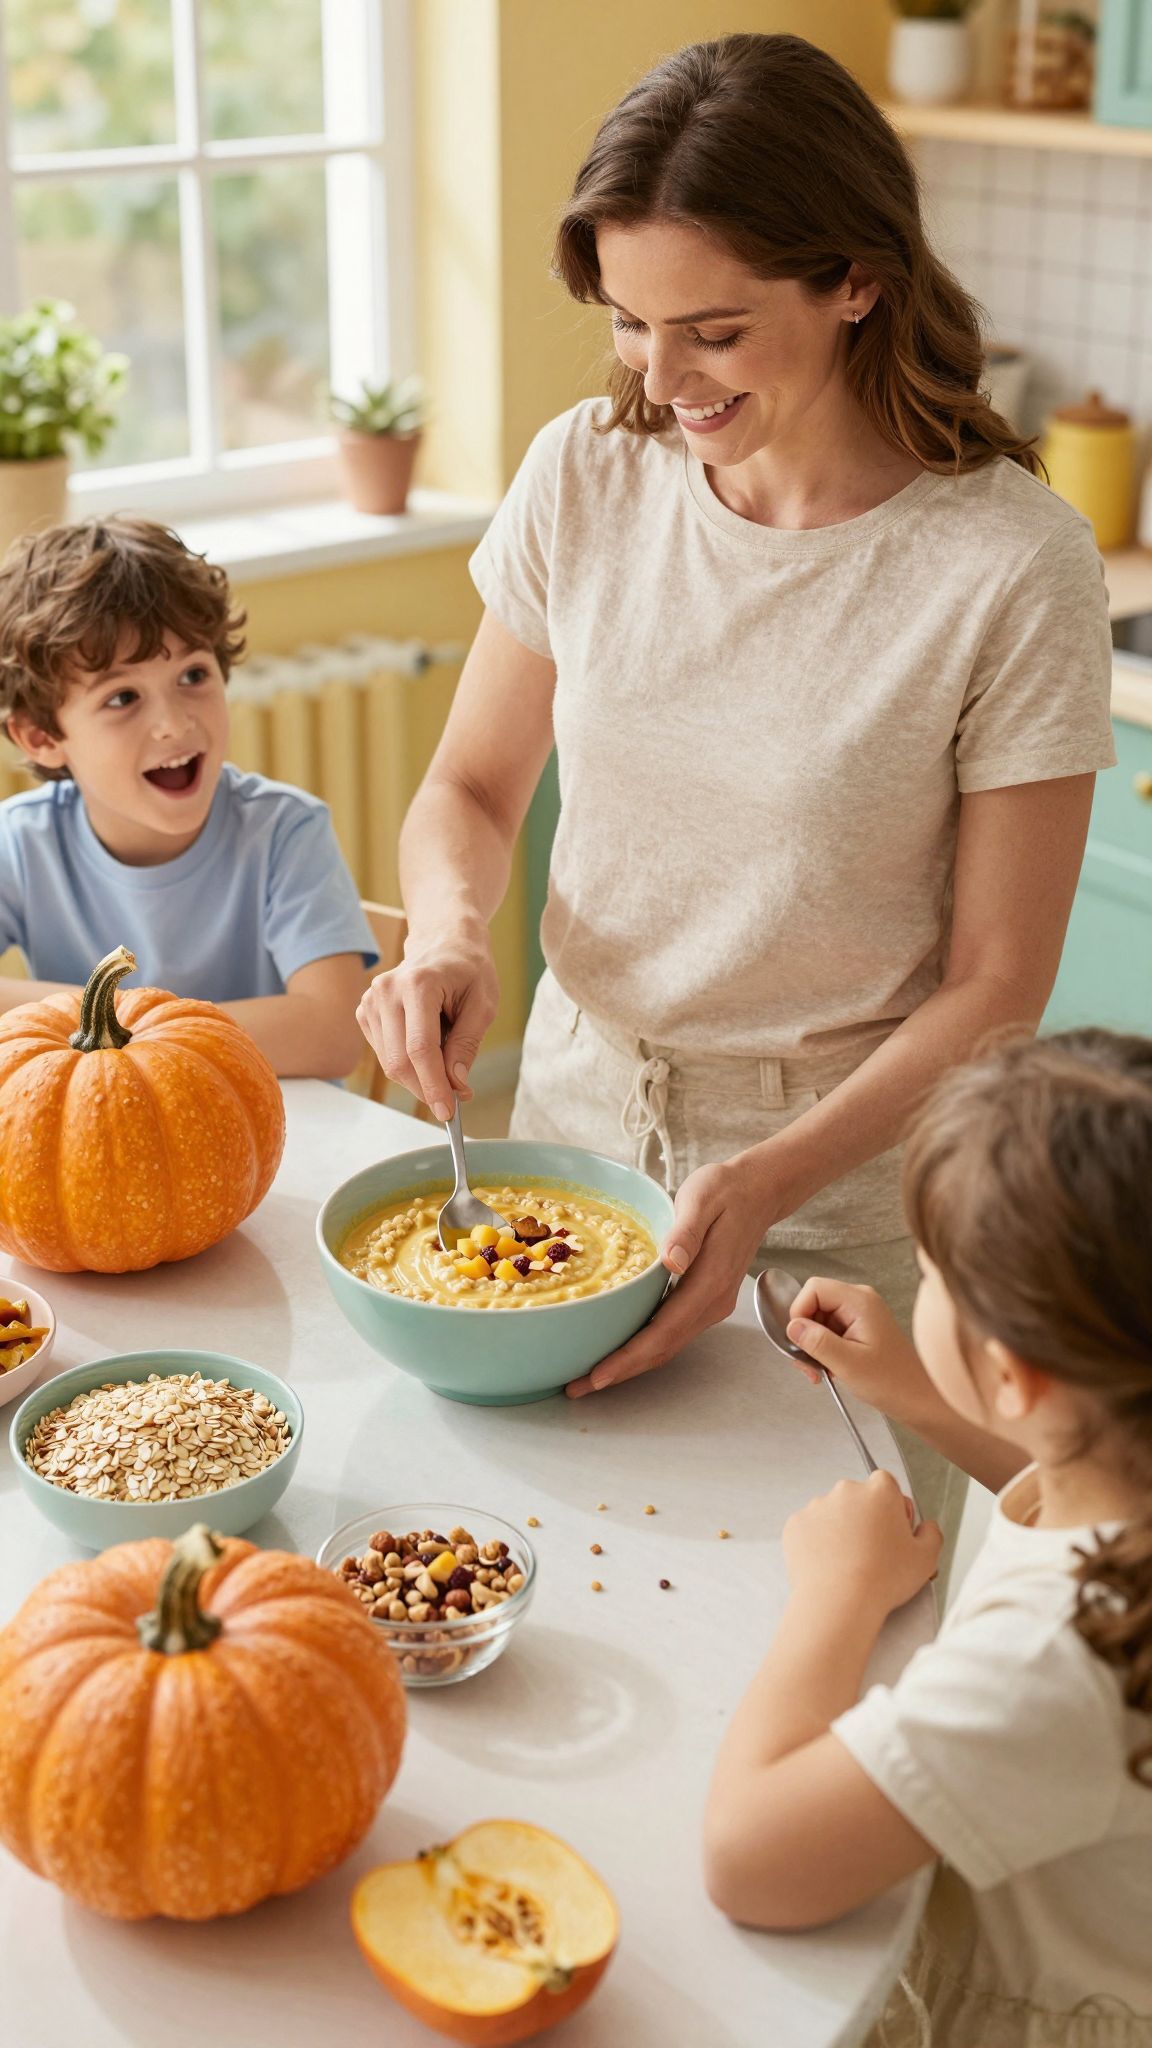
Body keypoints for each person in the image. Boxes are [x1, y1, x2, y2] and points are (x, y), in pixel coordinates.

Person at [355, 34, 1115, 1548]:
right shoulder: (588, 471)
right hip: (571, 1134)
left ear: (856, 281)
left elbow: (995, 987)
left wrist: (765, 1183)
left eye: (712, 331)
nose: (659, 379)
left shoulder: (1009, 566)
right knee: (550, 1574)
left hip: (840, 1210)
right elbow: (473, 787)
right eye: (630, 325)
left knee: (831, 1616)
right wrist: (444, 933)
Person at [704, 1029, 1152, 2048]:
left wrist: (839, 1592)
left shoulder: (1054, 1660)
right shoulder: (1122, 1471)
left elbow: (747, 1855)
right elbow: (1068, 1474)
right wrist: (919, 1390)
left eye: (929, 1272)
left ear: (1016, 1374)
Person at [0, 515, 375, 1076]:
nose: (175, 724)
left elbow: (332, 1034)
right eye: (123, 697)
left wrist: (114, 1026)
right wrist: (112, 1019)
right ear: (42, 737)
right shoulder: (19, 841)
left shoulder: (284, 831)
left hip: (280, 1124)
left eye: (193, 676)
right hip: (104, 1122)